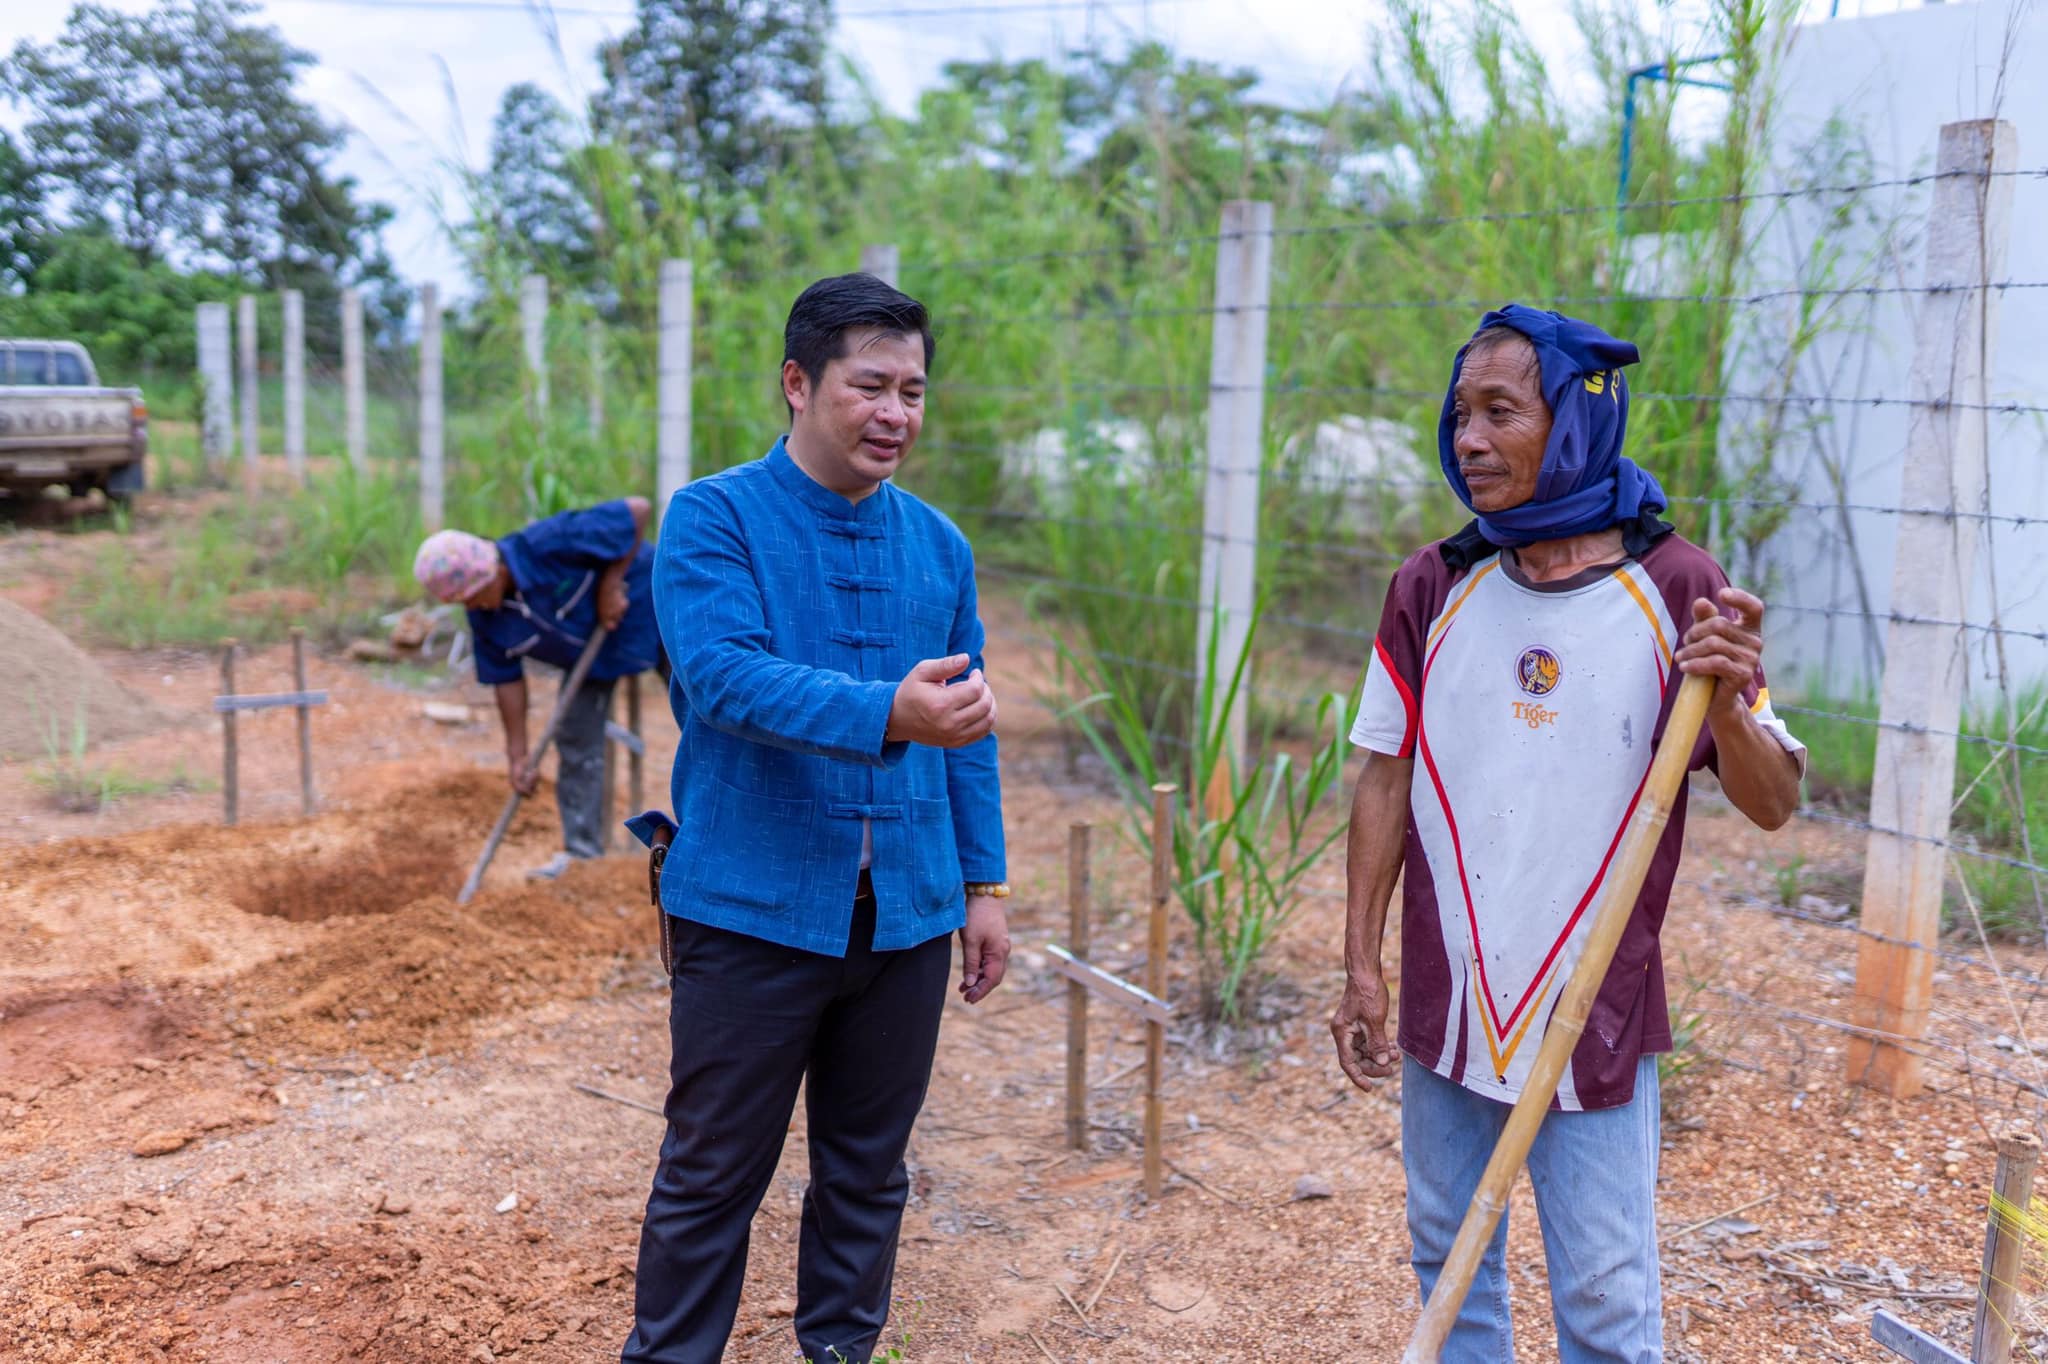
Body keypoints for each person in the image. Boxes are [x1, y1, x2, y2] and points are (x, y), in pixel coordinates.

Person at [1329, 305, 1806, 1361]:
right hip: (1446, 992)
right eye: (1459, 413)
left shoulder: (1682, 588)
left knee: (1603, 1291)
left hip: (1593, 1000)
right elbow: (1382, 772)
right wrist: (1360, 962)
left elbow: (1771, 799)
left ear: (1578, 420)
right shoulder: (1431, 583)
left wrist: (1726, 700)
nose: (1467, 440)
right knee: (1446, 1267)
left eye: (1501, 411)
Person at [622, 273, 1009, 1364]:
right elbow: (724, 678)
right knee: (710, 1173)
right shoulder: (714, 517)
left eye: (914, 391)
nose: (895, 413)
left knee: (867, 1168)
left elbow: (963, 725)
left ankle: (840, 1349)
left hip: (904, 921)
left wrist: (981, 886)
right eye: (869, 385)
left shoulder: (938, 545)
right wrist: (890, 709)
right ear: (798, 382)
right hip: (749, 908)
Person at [412, 497, 661, 878]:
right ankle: (583, 859)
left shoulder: (549, 542)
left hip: (654, 608)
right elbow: (505, 679)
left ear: (492, 571)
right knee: (575, 736)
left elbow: (637, 511)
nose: (475, 607)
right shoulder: (485, 616)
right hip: (593, 656)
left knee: (702, 715)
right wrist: (518, 754)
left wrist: (611, 584)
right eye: (466, 603)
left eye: (476, 596)